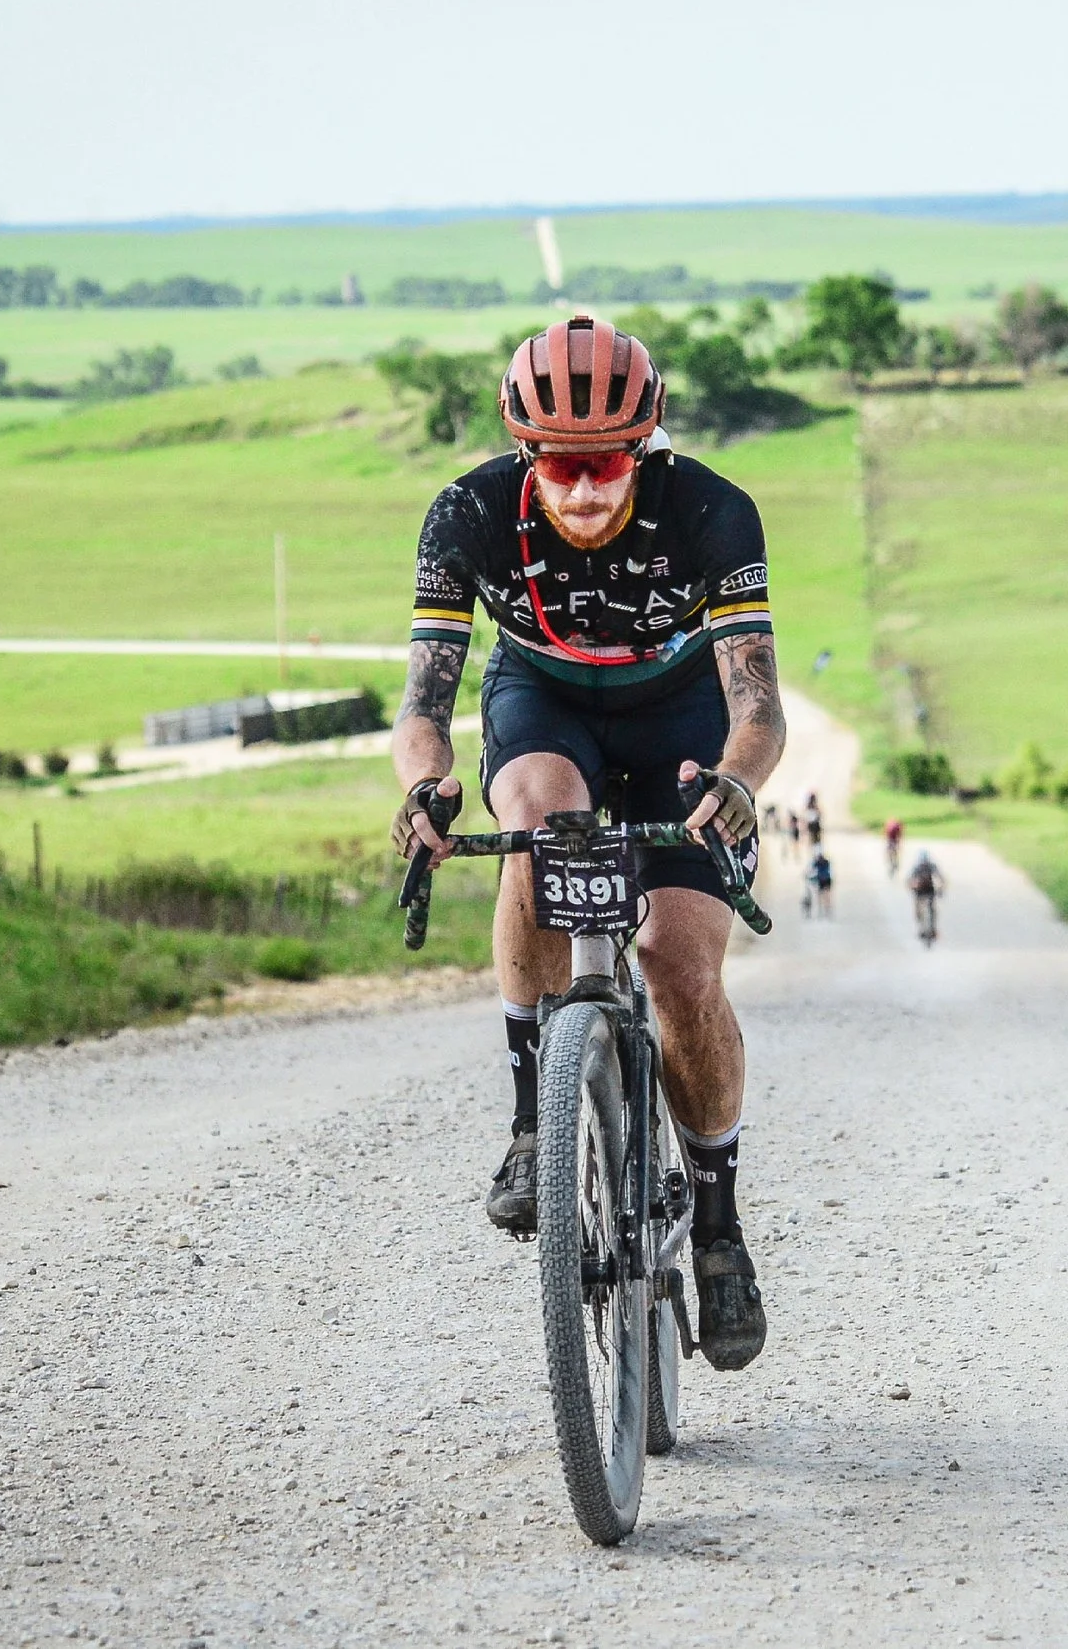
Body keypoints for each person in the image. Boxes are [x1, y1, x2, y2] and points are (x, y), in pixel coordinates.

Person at [389, 316, 778, 1372]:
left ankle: (717, 1225)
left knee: (677, 963)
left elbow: (757, 702)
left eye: (607, 463)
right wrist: (423, 784)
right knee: (534, 822)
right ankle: (533, 1122)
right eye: (560, 466)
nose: (585, 488)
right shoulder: (466, 513)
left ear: (644, 446)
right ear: (528, 457)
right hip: (546, 702)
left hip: (681, 723)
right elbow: (422, 700)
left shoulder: (710, 510)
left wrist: (737, 783)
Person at [907, 849, 945, 945]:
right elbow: (909, 880)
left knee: (933, 909)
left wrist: (940, 887)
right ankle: (921, 927)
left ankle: (933, 928)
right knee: (918, 910)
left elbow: (940, 877)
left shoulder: (932, 866)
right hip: (919, 892)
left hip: (929, 890)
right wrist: (913, 885)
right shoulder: (916, 868)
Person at [807, 846, 834, 919]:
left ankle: (824, 910)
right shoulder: (825, 861)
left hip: (823, 880)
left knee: (823, 896)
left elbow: (811, 871)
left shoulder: (818, 862)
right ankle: (825, 911)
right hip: (825, 880)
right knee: (824, 896)